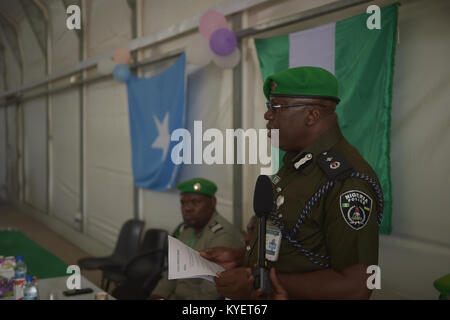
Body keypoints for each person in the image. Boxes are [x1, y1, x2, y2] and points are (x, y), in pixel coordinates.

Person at [200, 66, 383, 300]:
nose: (267, 115)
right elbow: (290, 239)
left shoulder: (347, 181)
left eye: (276, 107)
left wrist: (256, 281)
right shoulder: (299, 162)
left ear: (312, 115)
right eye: (269, 107)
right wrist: (240, 256)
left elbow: (356, 286)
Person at [149, 178, 244, 300]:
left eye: (195, 202)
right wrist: (158, 295)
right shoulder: (185, 230)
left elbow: (210, 293)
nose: (187, 208)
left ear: (212, 202)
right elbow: (171, 273)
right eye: (183, 203)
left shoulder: (222, 235)